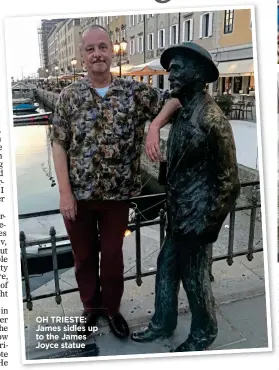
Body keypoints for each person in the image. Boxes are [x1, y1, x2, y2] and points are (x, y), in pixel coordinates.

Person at [50, 24, 180, 339]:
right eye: (91, 49)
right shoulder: (69, 97)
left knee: (111, 256)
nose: (98, 54)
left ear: (111, 51)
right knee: (83, 258)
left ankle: (112, 309)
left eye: (103, 47)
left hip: (118, 196)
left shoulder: (135, 92)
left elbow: (176, 99)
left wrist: (154, 126)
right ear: (83, 57)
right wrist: (65, 193)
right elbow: (58, 144)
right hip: (79, 198)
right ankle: (90, 309)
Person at [131, 42, 241, 351]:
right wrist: (154, 126)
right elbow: (164, 107)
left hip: (197, 219)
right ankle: (163, 323)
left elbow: (229, 182)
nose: (171, 74)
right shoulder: (183, 106)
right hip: (179, 214)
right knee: (165, 271)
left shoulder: (213, 120)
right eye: (171, 68)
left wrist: (208, 226)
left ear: (199, 73)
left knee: (195, 282)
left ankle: (204, 332)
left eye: (178, 68)